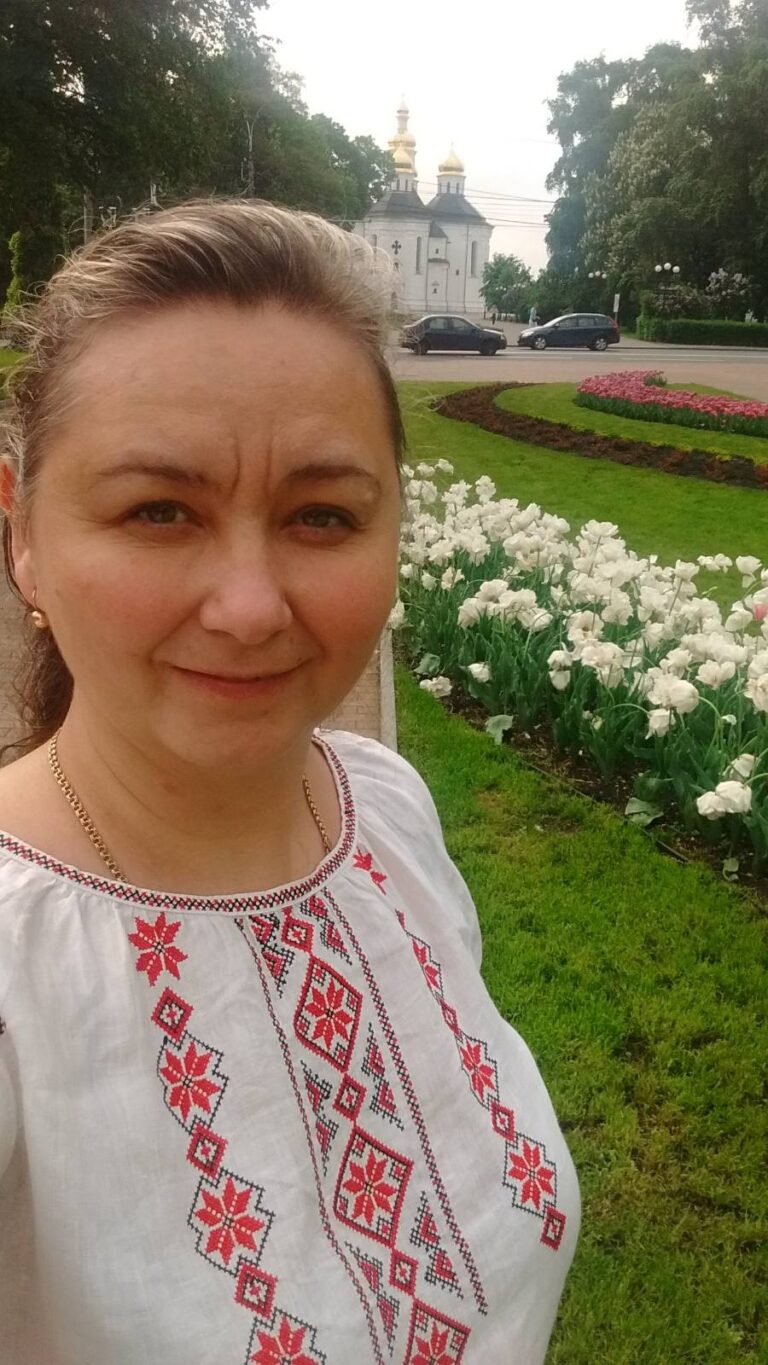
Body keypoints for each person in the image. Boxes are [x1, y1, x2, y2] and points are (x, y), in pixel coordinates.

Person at [0, 201, 579, 1365]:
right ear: (21, 535)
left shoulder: (382, 813)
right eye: (159, 510)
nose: (252, 607)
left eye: (322, 515)